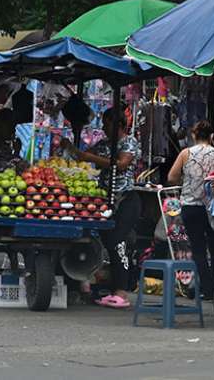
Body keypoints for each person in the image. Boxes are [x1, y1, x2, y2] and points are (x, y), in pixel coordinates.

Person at [61, 109, 141, 309]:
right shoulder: (104, 145)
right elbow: (83, 157)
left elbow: (122, 164)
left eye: (107, 124)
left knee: (117, 241)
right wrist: (71, 148)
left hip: (126, 200)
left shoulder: (129, 142)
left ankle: (121, 292)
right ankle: (106, 286)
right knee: (105, 240)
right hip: (107, 201)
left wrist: (89, 157)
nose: (104, 128)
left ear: (119, 124)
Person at [168, 121, 214, 299]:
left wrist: (186, 181)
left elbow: (171, 177)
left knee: (198, 249)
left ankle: (206, 289)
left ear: (193, 135)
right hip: (213, 207)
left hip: (191, 207)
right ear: (212, 136)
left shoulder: (186, 153)